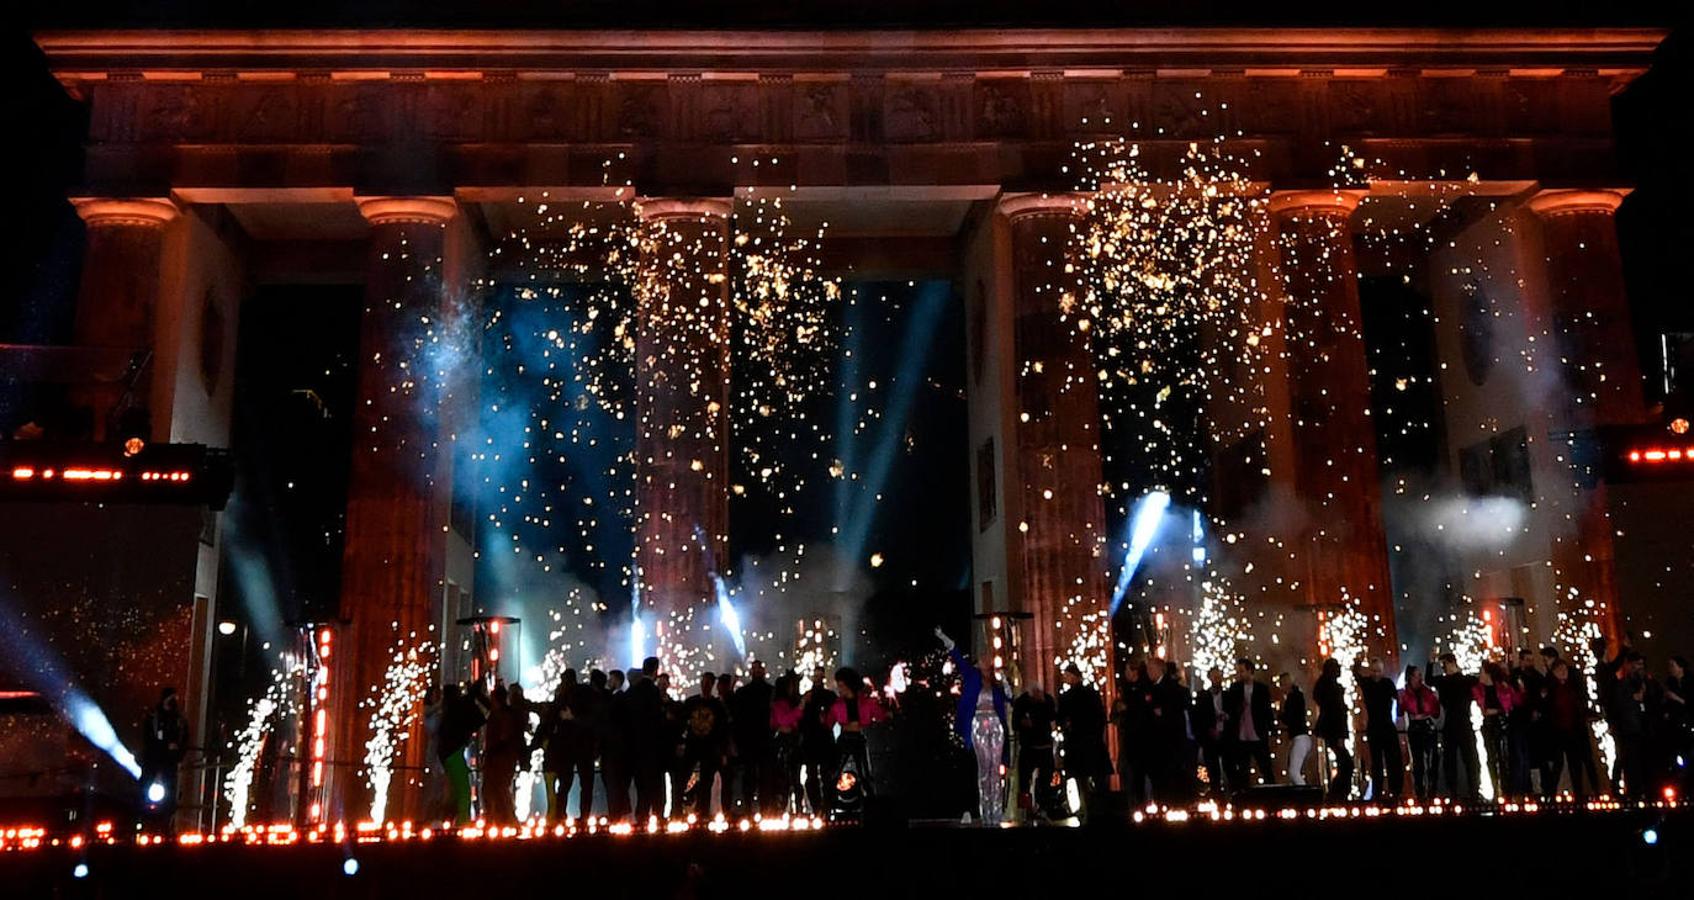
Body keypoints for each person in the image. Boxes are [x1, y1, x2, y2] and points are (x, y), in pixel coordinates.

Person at [938, 627, 1008, 825]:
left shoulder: (995, 682)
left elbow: (1008, 698)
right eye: (983, 658)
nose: (985, 660)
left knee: (995, 769)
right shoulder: (972, 675)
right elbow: (957, 656)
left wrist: (1005, 684)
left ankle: (996, 812)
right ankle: (985, 812)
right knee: (984, 769)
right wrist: (945, 637)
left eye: (987, 658)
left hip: (995, 724)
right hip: (978, 723)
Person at [825, 667, 885, 818]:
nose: (839, 689)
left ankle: (874, 810)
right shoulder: (838, 704)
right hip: (845, 738)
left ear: (849, 685)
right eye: (839, 686)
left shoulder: (865, 702)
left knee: (865, 775)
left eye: (842, 686)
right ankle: (827, 809)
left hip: (857, 738)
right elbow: (828, 723)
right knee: (835, 774)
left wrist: (885, 712)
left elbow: (880, 715)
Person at [1056, 662, 1111, 816]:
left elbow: (1061, 718)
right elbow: (1100, 717)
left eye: (1067, 675)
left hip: (1078, 743)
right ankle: (1097, 809)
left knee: (1081, 779)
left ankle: (1087, 809)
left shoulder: (1068, 697)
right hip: (1091, 742)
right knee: (1095, 779)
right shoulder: (1091, 693)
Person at [1430, 653, 1481, 801]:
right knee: (1463, 759)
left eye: (1444, 665)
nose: (1443, 668)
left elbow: (1430, 678)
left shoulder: (1454, 681)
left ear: (1450, 663)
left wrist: (1430, 662)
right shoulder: (1465, 680)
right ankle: (1469, 791)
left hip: (1457, 723)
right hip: (1460, 723)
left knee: (1463, 759)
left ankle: (1466, 791)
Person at [1222, 657, 1276, 792]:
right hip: (1241, 736)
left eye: (1242, 671)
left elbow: (1267, 711)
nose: (1239, 675)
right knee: (1242, 770)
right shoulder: (1235, 688)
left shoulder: (1261, 689)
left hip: (1258, 734)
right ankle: (1243, 798)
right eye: (1238, 672)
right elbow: (1230, 708)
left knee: (1266, 768)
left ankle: (1273, 795)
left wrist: (1271, 729)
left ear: (1250, 671)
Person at [438, 682, 489, 825]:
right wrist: (474, 693)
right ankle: (462, 824)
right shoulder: (456, 708)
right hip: (454, 752)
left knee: (455, 791)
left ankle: (449, 820)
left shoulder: (449, 711)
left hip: (449, 753)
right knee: (463, 791)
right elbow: (476, 716)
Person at [680, 672, 730, 816]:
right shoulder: (691, 703)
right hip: (692, 747)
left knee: (706, 783)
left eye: (708, 682)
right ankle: (679, 810)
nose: (705, 685)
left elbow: (722, 729)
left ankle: (702, 812)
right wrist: (682, 742)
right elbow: (682, 723)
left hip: (709, 749)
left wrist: (722, 751)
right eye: (704, 682)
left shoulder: (717, 706)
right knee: (683, 780)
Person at [729, 661, 775, 816]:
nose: (756, 672)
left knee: (760, 777)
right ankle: (756, 809)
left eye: (758, 669)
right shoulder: (768, 692)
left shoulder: (750, 692)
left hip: (758, 740)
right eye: (755, 670)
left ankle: (758, 809)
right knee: (754, 777)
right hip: (754, 740)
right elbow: (736, 718)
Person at [139, 687, 188, 828]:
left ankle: (165, 824)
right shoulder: (153, 717)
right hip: (153, 761)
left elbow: (184, 737)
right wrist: (165, 746)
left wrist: (178, 752)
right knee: (147, 794)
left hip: (170, 762)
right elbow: (148, 738)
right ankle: (146, 823)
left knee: (169, 796)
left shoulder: (179, 719)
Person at [1146, 657, 1193, 802]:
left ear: (1160, 669)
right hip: (1157, 743)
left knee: (1169, 778)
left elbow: (1177, 709)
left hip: (1169, 742)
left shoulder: (1170, 688)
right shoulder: (1152, 688)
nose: (1148, 672)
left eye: (1151, 669)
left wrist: (1163, 712)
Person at [1355, 658, 1402, 803]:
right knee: (1376, 763)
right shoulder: (1367, 683)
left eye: (1378, 671)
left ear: (1382, 671)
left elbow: (1398, 699)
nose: (1376, 674)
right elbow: (1356, 675)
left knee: (1392, 760)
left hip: (1387, 726)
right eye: (1374, 671)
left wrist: (1401, 710)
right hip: (1375, 727)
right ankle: (1377, 793)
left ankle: (1395, 792)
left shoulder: (1387, 683)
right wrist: (1357, 661)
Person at [625, 657, 666, 821]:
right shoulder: (653, 691)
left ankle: (641, 818)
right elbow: (656, 720)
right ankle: (656, 819)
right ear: (655, 670)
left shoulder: (633, 692)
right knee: (654, 787)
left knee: (641, 787)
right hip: (651, 749)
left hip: (635, 748)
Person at [1011, 680, 1058, 821]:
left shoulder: (1047, 700)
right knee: (1024, 781)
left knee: (1045, 780)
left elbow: (1053, 716)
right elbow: (1015, 723)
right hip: (1029, 747)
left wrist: (1043, 702)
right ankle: (1025, 811)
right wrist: (1023, 723)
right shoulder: (1022, 702)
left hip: (1044, 746)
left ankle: (1043, 807)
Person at [1545, 659, 1590, 799]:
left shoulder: (1572, 687)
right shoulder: (1551, 688)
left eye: (1565, 670)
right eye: (1560, 671)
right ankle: (1551, 794)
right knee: (1558, 764)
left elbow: (1578, 705)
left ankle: (1579, 793)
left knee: (1575, 762)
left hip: (1573, 729)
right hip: (1558, 731)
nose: (1564, 673)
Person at [1609, 651, 1651, 799]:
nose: (1639, 668)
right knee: (1627, 759)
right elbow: (1618, 706)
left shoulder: (1646, 683)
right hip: (1628, 728)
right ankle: (1628, 790)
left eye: (1641, 665)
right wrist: (1633, 700)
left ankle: (1642, 788)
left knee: (1639, 759)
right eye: (1636, 665)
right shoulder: (1622, 686)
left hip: (1641, 727)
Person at [1474, 662, 1520, 799]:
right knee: (1490, 758)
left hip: (1501, 724)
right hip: (1488, 725)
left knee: (1504, 757)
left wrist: (1498, 710)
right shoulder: (1478, 689)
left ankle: (1507, 790)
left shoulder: (1502, 687)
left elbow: (1514, 702)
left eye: (1482, 671)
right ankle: (1495, 790)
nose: (1480, 674)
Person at [1114, 658, 1154, 805]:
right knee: (1131, 776)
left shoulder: (1144, 689)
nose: (1125, 673)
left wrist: (1128, 709)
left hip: (1142, 740)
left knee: (1141, 776)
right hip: (1129, 741)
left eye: (1127, 670)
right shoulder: (1126, 690)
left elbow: (1144, 712)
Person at [482, 683, 524, 825]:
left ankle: (506, 820)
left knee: (498, 790)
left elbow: (503, 738)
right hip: (502, 758)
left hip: (500, 759)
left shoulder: (501, 716)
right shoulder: (504, 714)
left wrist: (491, 751)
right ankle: (503, 820)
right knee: (499, 790)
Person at [799, 665, 837, 815]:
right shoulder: (808, 697)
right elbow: (801, 719)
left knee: (826, 775)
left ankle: (826, 807)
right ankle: (818, 807)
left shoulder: (829, 696)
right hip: (812, 741)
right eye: (816, 676)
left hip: (824, 740)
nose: (818, 679)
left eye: (820, 676)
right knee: (812, 776)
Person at [1399, 664, 1441, 801]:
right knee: (1418, 762)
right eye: (1416, 675)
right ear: (1410, 677)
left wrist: (1435, 700)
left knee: (1432, 759)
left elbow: (1435, 712)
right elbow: (1401, 711)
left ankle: (1432, 790)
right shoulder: (1405, 693)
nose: (1420, 678)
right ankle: (1420, 792)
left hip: (1427, 726)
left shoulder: (1427, 691)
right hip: (1415, 728)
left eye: (1420, 675)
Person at [1313, 658, 1354, 801]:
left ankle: (1337, 793)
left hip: (1332, 730)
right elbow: (1337, 713)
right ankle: (1338, 793)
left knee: (1345, 763)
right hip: (1335, 731)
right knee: (1346, 764)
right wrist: (1341, 736)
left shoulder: (1324, 687)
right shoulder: (1331, 689)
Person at [770, 673, 806, 815]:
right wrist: (800, 709)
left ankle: (796, 808)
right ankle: (784, 809)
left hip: (792, 742)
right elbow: (784, 720)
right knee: (785, 779)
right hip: (785, 744)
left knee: (794, 778)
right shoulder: (779, 704)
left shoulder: (787, 703)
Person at [1192, 667, 1228, 796]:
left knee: (1229, 770)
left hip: (1226, 739)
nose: (1217, 679)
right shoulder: (1202, 697)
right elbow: (1198, 718)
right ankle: (1217, 798)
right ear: (1210, 678)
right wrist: (1208, 731)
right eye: (1214, 677)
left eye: (1218, 676)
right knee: (1213, 773)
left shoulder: (1228, 696)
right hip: (1209, 740)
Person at [602, 670, 632, 820]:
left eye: (611, 679)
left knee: (614, 783)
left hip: (615, 749)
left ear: (617, 680)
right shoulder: (622, 698)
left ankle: (616, 814)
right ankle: (619, 812)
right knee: (618, 783)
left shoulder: (617, 699)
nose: (608, 682)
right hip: (619, 749)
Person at [1277, 672, 1313, 787]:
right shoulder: (1298, 696)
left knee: (1293, 772)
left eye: (1282, 685)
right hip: (1301, 737)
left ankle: (1306, 796)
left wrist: (1280, 714)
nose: (1281, 688)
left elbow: (1290, 718)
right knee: (1294, 771)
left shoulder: (1293, 698)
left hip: (1299, 737)